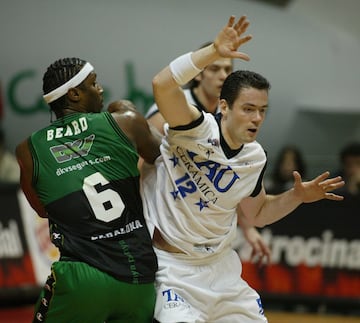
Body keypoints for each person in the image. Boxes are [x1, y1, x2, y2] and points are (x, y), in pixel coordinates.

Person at [141, 15, 345, 322]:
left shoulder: (255, 158)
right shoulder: (192, 126)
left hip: (221, 270)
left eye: (262, 111)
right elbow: (161, 84)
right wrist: (212, 51)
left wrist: (297, 196)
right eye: (248, 109)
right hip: (173, 270)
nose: (257, 119)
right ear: (224, 107)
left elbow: (257, 214)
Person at [15, 57, 161, 322]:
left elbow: (42, 209)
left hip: (82, 277)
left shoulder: (28, 150)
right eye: (94, 84)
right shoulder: (125, 121)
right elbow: (159, 154)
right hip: (139, 277)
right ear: (74, 94)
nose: (101, 89)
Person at [146, 42, 271, 265]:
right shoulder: (178, 108)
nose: (222, 76)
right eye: (214, 69)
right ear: (197, 75)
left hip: (198, 231)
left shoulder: (228, 118)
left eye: (227, 70)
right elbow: (142, 159)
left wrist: (249, 228)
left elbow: (230, 182)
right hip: (162, 217)